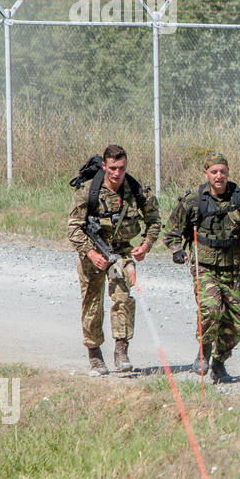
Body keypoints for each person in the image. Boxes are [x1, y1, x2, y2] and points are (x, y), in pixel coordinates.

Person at [66, 145, 160, 375]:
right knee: (92, 304)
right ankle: (95, 355)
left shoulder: (136, 190)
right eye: (113, 168)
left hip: (122, 252)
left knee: (123, 299)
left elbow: (155, 221)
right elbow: (73, 229)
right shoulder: (88, 191)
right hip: (93, 253)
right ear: (105, 166)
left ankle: (121, 350)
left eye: (122, 168)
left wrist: (145, 245)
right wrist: (91, 252)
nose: (117, 173)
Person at [162, 153, 240, 383]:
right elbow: (172, 230)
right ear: (206, 174)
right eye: (214, 172)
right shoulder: (194, 201)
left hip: (233, 268)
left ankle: (219, 362)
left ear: (228, 172)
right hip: (205, 267)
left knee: (236, 321)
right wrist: (176, 250)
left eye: (223, 171)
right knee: (211, 309)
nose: (219, 176)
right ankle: (204, 351)